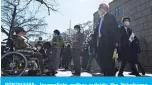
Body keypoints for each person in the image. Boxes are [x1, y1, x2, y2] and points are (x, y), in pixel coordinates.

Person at [94, 3, 119, 76]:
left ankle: (109, 74)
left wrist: (116, 41)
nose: (99, 10)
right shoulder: (100, 19)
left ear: (104, 9)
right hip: (101, 42)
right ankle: (108, 72)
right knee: (100, 58)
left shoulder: (110, 17)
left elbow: (115, 29)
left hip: (109, 42)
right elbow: (98, 30)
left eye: (100, 9)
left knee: (109, 60)